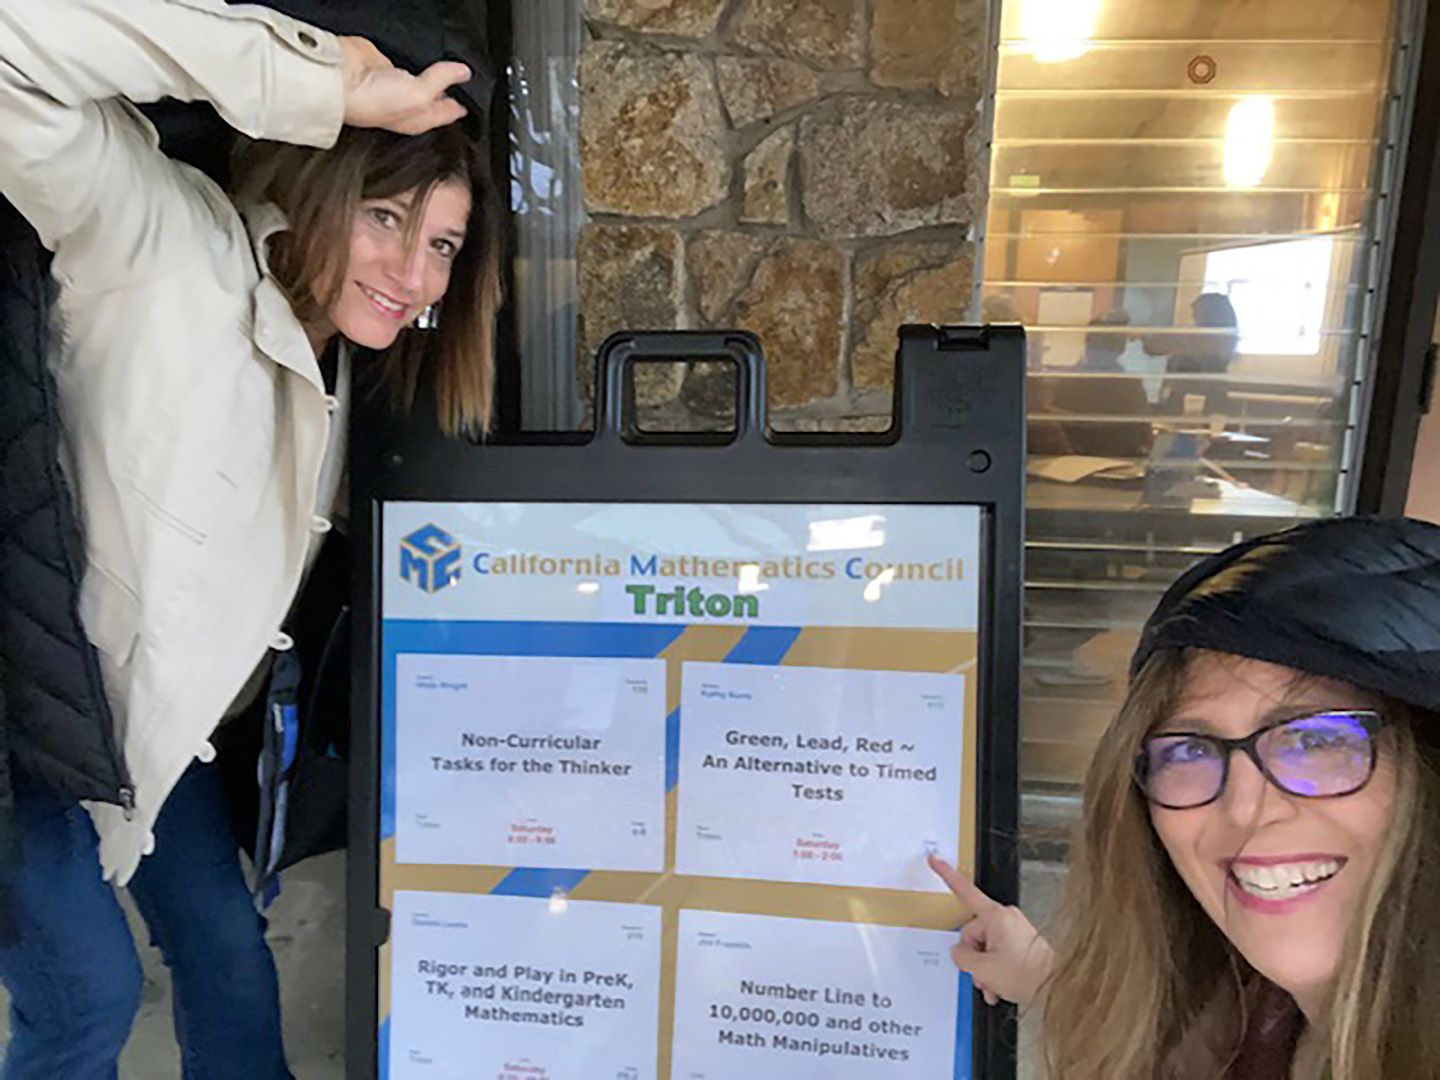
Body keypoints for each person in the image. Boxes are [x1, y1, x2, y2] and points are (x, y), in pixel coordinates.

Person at [0, 1, 501, 1076]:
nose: (413, 274)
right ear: (319, 185)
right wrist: (321, 85)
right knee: (86, 998)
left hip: (148, 723)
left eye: (442, 245)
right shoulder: (163, 242)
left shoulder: (341, 362)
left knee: (230, 962)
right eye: (385, 218)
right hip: (30, 714)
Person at [931, 516, 1440, 1078]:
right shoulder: (1252, 1011)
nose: (1244, 808)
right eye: (1190, 750)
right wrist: (1047, 979)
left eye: (1316, 739)